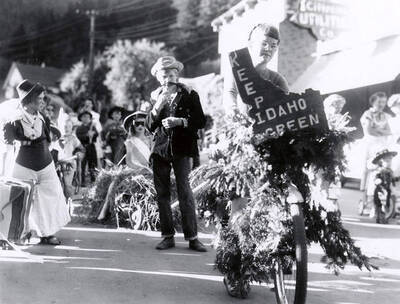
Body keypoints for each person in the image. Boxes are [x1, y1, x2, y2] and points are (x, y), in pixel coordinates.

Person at [146, 56, 207, 252]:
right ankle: (167, 236)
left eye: (172, 74)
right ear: (159, 78)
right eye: (165, 75)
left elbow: (200, 121)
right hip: (161, 150)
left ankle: (192, 237)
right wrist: (156, 108)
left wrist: (180, 121)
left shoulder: (189, 94)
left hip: (183, 148)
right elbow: (148, 125)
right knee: (162, 193)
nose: (169, 78)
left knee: (185, 192)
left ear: (177, 75)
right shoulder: (155, 97)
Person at [2, 79, 70, 245]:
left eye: (42, 98)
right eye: (39, 98)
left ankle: (47, 233)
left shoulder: (43, 119)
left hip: (46, 164)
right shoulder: (13, 120)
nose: (42, 101)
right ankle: (14, 235)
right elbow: (7, 142)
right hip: (23, 165)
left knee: (51, 197)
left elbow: (50, 138)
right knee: (19, 198)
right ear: (29, 99)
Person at [223, 23, 289, 118]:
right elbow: (230, 93)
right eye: (264, 43)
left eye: (273, 45)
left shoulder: (278, 80)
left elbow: (286, 108)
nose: (268, 49)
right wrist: (232, 108)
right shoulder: (237, 70)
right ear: (251, 44)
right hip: (242, 126)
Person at [359, 92, 392, 213]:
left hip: (381, 146)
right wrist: (380, 131)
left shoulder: (386, 116)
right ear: (373, 102)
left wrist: (378, 130)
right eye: (379, 102)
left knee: (382, 172)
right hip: (369, 145)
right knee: (367, 171)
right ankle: (365, 201)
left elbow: (389, 131)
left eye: (383, 102)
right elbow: (369, 131)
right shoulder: (367, 114)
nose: (381, 105)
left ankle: (380, 203)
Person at [371, 149, 399, 224]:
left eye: (390, 161)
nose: (389, 163)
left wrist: (396, 179)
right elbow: (376, 177)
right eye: (387, 161)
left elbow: (393, 179)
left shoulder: (390, 171)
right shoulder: (380, 170)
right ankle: (379, 217)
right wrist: (377, 180)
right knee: (379, 203)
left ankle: (384, 217)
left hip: (387, 190)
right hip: (380, 189)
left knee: (386, 204)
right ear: (381, 162)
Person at [76, 111, 98, 186]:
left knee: (93, 164)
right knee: (82, 164)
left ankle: (94, 180)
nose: (86, 118)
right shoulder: (79, 128)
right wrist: (86, 135)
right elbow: (78, 137)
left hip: (91, 147)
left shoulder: (92, 126)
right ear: (81, 118)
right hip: (83, 147)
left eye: (88, 117)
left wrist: (93, 134)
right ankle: (82, 181)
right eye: (84, 117)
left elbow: (96, 134)